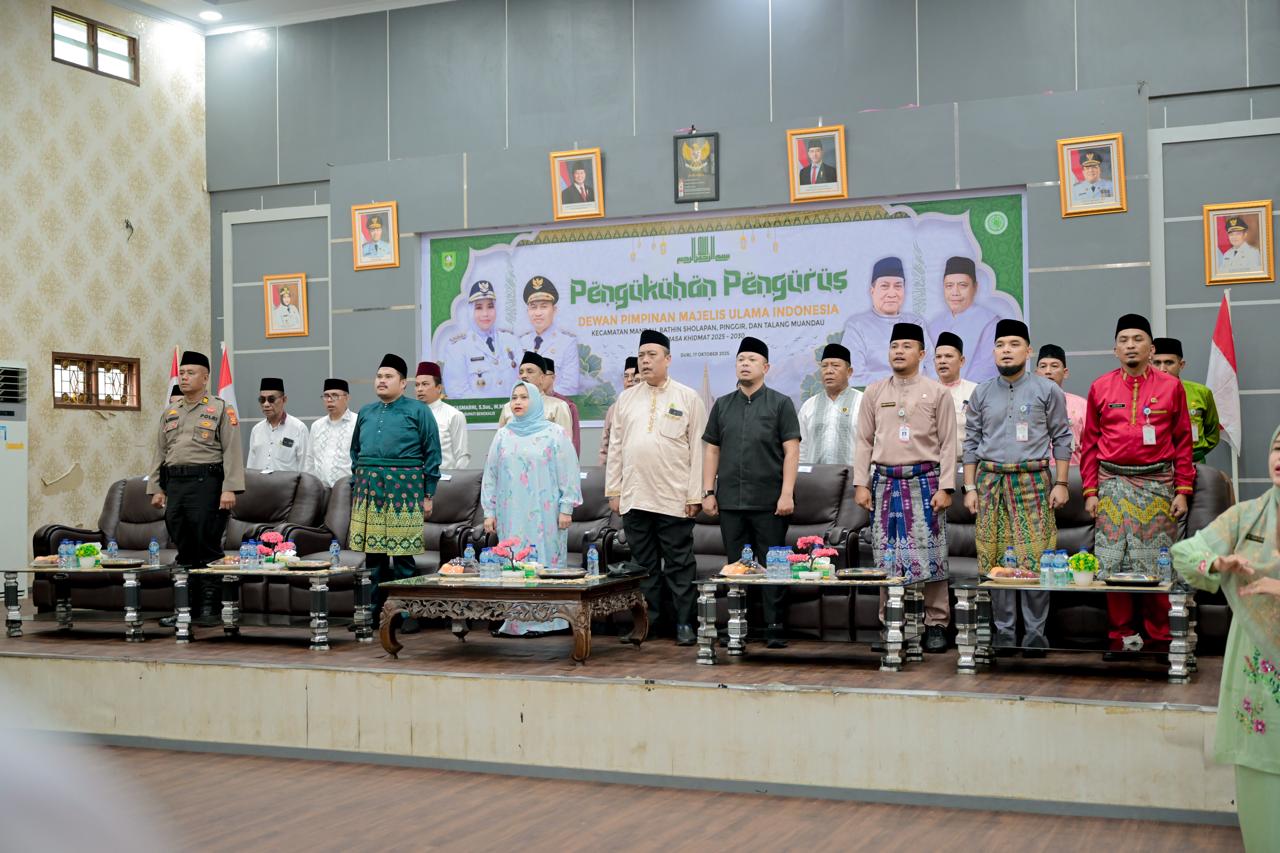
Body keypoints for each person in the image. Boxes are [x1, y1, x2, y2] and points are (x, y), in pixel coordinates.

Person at [1170, 424, 1280, 851]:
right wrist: (1217, 564)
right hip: (1256, 675)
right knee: (1260, 778)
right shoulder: (1246, 515)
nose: (1279, 458)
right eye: (1276, 447)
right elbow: (1185, 553)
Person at [1081, 314, 1194, 654]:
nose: (1130, 345)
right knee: (1113, 563)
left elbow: (1183, 442)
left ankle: (1160, 637)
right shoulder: (1100, 387)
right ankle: (1121, 636)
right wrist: (1090, 491)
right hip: (1111, 484)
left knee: (1158, 561)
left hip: (1157, 484)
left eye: (1138, 339)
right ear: (1115, 349)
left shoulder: (1171, 387)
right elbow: (1090, 443)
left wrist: (1182, 491)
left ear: (1151, 348)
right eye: (1124, 340)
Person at [963, 320, 1073, 657]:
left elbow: (1062, 437)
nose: (1006, 351)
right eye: (1000, 345)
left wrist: (1061, 483)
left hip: (1033, 481)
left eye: (1014, 344)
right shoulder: (981, 392)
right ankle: (1005, 634)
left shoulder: (1047, 390)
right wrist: (969, 487)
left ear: (1029, 350)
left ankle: (1035, 636)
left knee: (1035, 559)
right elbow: (971, 442)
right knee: (995, 560)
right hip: (990, 482)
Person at [852, 322, 957, 653]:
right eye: (894, 346)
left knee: (932, 555)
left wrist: (947, 487)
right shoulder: (874, 392)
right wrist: (860, 483)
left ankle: (936, 624)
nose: (899, 351)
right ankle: (892, 623)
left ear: (922, 354)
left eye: (907, 346)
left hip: (926, 481)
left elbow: (949, 444)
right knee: (887, 557)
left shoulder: (937, 392)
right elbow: (863, 441)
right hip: (884, 483)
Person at [606, 331, 707, 645]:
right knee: (642, 566)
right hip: (635, 496)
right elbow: (616, 447)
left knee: (680, 565)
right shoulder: (626, 399)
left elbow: (699, 450)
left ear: (668, 359)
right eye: (641, 356)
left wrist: (695, 495)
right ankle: (648, 624)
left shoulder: (688, 397)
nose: (645, 361)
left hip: (673, 497)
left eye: (652, 355)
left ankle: (685, 624)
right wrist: (614, 490)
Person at [702, 337, 800, 649]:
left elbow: (792, 451)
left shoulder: (780, 403)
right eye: (741, 359)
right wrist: (708, 491)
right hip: (731, 501)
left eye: (752, 360)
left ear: (766, 367)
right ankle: (738, 628)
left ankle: (774, 626)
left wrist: (787, 493)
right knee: (736, 567)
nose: (745, 364)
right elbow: (712, 450)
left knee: (773, 566)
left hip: (770, 502)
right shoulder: (722, 405)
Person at [147, 350, 244, 626]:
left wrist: (230, 489)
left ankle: (209, 610)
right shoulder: (171, 411)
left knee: (207, 546)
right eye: (182, 372)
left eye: (191, 373)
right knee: (184, 549)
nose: (184, 377)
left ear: (205, 377)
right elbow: (159, 452)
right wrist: (156, 487)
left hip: (207, 484)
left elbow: (232, 451)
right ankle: (184, 610)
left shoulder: (220, 409)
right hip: (175, 485)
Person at [482, 381, 582, 636]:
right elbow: (491, 474)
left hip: (545, 513)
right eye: (514, 397)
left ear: (536, 401)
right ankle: (516, 622)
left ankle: (550, 622)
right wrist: (489, 511)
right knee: (514, 563)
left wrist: (566, 507)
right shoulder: (503, 435)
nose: (517, 402)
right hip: (511, 513)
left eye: (524, 397)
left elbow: (569, 471)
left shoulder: (554, 433)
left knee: (544, 562)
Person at [349, 354, 441, 625]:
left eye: (388, 377)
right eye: (379, 376)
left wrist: (428, 494)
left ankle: (408, 614)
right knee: (373, 557)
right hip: (369, 491)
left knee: (403, 557)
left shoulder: (418, 410)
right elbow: (355, 452)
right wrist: (358, 483)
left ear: (402, 383)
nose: (382, 381)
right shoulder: (366, 412)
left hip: (405, 490)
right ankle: (373, 614)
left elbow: (432, 453)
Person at [842, 256, 930, 386]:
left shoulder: (916, 323)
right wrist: (900, 381)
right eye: (885, 286)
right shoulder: (857, 326)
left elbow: (932, 365)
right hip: (874, 396)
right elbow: (853, 375)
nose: (892, 293)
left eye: (898, 286)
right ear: (872, 291)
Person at [440, 280, 520, 397]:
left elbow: (524, 381)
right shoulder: (458, 347)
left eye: (490, 307)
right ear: (470, 311)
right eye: (479, 308)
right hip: (478, 409)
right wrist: (490, 407)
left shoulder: (511, 341)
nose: (485, 314)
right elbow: (457, 392)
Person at [927, 257, 1000, 383]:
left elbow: (989, 369)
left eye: (963, 285)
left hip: (975, 392)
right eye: (949, 286)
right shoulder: (934, 325)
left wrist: (959, 390)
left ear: (975, 287)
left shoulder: (990, 322)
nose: (955, 292)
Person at [1152, 337, 1221, 463]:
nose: (1162, 369)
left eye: (1169, 362)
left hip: (1193, 462)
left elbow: (1212, 433)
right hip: (1156, 466)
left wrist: (1196, 452)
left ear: (1181, 365)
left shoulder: (1201, 392)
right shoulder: (1140, 394)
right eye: (1156, 363)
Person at [798, 343, 863, 465]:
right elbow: (802, 448)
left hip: (853, 475)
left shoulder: (863, 402)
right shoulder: (809, 406)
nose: (829, 371)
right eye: (824, 366)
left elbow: (874, 444)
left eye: (835, 366)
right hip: (815, 476)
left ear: (849, 372)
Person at [519, 276, 581, 394]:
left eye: (543, 306)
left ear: (554, 310)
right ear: (527, 311)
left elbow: (570, 386)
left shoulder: (567, 342)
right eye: (533, 307)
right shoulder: (521, 342)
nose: (538, 313)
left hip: (553, 403)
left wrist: (539, 398)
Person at [497, 352, 574, 435]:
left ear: (542, 378)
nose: (524, 376)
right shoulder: (508, 407)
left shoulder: (558, 406)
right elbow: (501, 439)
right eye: (521, 372)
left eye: (530, 371)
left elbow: (565, 440)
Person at [1035, 344, 1087, 465]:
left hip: (1073, 473)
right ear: (1036, 373)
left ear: (1065, 373)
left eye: (1054, 366)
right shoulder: (1026, 405)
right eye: (1043, 366)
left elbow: (1091, 448)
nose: (1048, 371)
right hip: (1036, 473)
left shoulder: (1081, 405)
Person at [933, 331, 977, 468]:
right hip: (933, 466)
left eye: (948, 356)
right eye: (938, 357)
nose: (942, 361)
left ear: (961, 361)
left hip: (966, 464)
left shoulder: (975, 391)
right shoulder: (926, 392)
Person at [246, 378, 309, 473]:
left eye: (271, 399)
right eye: (262, 400)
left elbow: (305, 467)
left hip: (287, 482)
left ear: (284, 400)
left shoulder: (298, 428)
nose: (266, 404)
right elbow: (251, 466)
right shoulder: (256, 430)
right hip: (260, 482)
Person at [415, 361, 470, 469]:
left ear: (439, 388)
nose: (420, 389)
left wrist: (455, 478)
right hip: (415, 477)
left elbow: (462, 456)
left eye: (425, 384)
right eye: (417, 385)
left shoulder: (453, 415)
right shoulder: (409, 415)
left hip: (443, 477)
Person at [304, 378, 357, 487]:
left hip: (348, 489)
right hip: (320, 489)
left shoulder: (357, 423)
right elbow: (309, 460)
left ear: (347, 398)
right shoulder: (317, 426)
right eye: (326, 396)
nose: (329, 400)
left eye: (335, 395)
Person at [599, 356, 639, 467]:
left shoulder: (648, 405)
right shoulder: (613, 409)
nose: (629, 380)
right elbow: (605, 443)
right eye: (626, 376)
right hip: (617, 467)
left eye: (633, 376)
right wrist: (602, 468)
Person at [543, 357, 581, 456]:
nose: (540, 379)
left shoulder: (567, 405)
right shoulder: (525, 404)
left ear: (553, 377)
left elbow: (574, 443)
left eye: (544, 375)